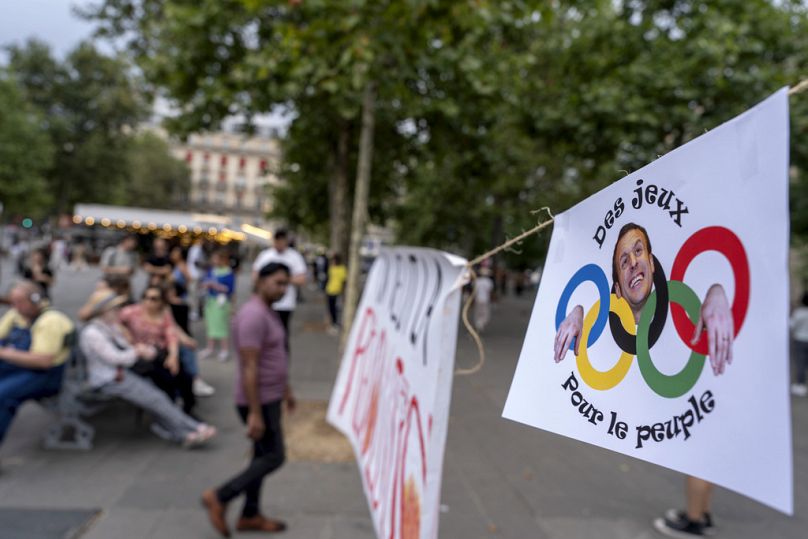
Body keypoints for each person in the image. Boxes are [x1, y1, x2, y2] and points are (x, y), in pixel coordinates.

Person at [554, 223, 735, 376]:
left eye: (638, 251)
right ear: (617, 289)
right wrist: (577, 311)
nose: (633, 262)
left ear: (651, 262)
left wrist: (716, 292)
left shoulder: (684, 316)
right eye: (624, 261)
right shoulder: (601, 342)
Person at [201, 262, 295, 537]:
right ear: (260, 281)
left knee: (260, 456)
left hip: (270, 396)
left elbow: (274, 357)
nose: (283, 289)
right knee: (274, 457)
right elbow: (250, 367)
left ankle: (250, 514)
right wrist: (255, 412)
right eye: (278, 283)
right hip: (258, 400)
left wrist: (286, 390)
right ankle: (220, 496)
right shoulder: (253, 315)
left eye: (286, 284)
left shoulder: (267, 311)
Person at [78, 289, 216, 447]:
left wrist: (139, 349)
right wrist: (137, 351)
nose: (118, 311)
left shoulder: (108, 327)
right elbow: (115, 357)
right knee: (156, 398)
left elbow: (124, 347)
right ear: (104, 311)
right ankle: (192, 427)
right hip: (110, 378)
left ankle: (185, 431)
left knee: (157, 396)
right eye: (114, 308)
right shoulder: (93, 333)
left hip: (120, 373)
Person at [0, 281, 74, 446]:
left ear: (35, 300)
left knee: (3, 396)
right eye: (13, 302)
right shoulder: (17, 314)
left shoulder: (50, 321)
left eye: (19, 302)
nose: (15, 307)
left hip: (45, 376)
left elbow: (43, 361)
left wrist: (4, 353)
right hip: (19, 366)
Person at [119, 285, 196, 414]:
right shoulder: (132, 312)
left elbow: (171, 335)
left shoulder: (164, 314)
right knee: (166, 378)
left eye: (154, 299)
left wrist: (173, 356)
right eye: (146, 298)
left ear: (161, 301)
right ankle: (170, 412)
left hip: (160, 353)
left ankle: (187, 409)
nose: (149, 302)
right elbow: (114, 322)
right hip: (141, 356)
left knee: (184, 377)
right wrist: (124, 332)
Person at [251, 229, 307, 352]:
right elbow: (255, 275)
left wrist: (284, 280)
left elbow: (302, 279)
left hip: (285, 305)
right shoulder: (266, 255)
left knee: (281, 335)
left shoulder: (294, 256)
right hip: (266, 304)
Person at [200, 249, 236, 362]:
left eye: (216, 258)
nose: (214, 261)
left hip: (222, 302)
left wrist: (216, 286)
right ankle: (210, 348)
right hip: (210, 301)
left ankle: (224, 350)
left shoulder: (228, 272)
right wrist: (206, 285)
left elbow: (230, 289)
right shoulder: (211, 271)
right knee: (211, 325)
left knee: (221, 326)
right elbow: (204, 282)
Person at [790, 292, 808, 397]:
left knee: (800, 363)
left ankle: (800, 385)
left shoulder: (799, 313)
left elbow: (792, 325)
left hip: (800, 340)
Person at [325, 253, 346, 333]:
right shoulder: (331, 268)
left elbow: (344, 281)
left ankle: (336, 323)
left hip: (337, 291)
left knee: (336, 309)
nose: (333, 262)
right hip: (329, 290)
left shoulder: (342, 269)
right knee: (330, 308)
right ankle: (333, 323)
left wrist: (343, 292)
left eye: (334, 260)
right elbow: (328, 278)